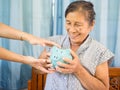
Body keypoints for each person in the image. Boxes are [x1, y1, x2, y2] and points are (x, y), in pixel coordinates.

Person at [35, 1, 114, 90]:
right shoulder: (53, 42)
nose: (72, 30)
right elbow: (37, 70)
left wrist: (78, 70)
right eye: (68, 23)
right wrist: (43, 65)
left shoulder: (100, 52)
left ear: (91, 24)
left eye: (78, 25)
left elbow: (104, 88)